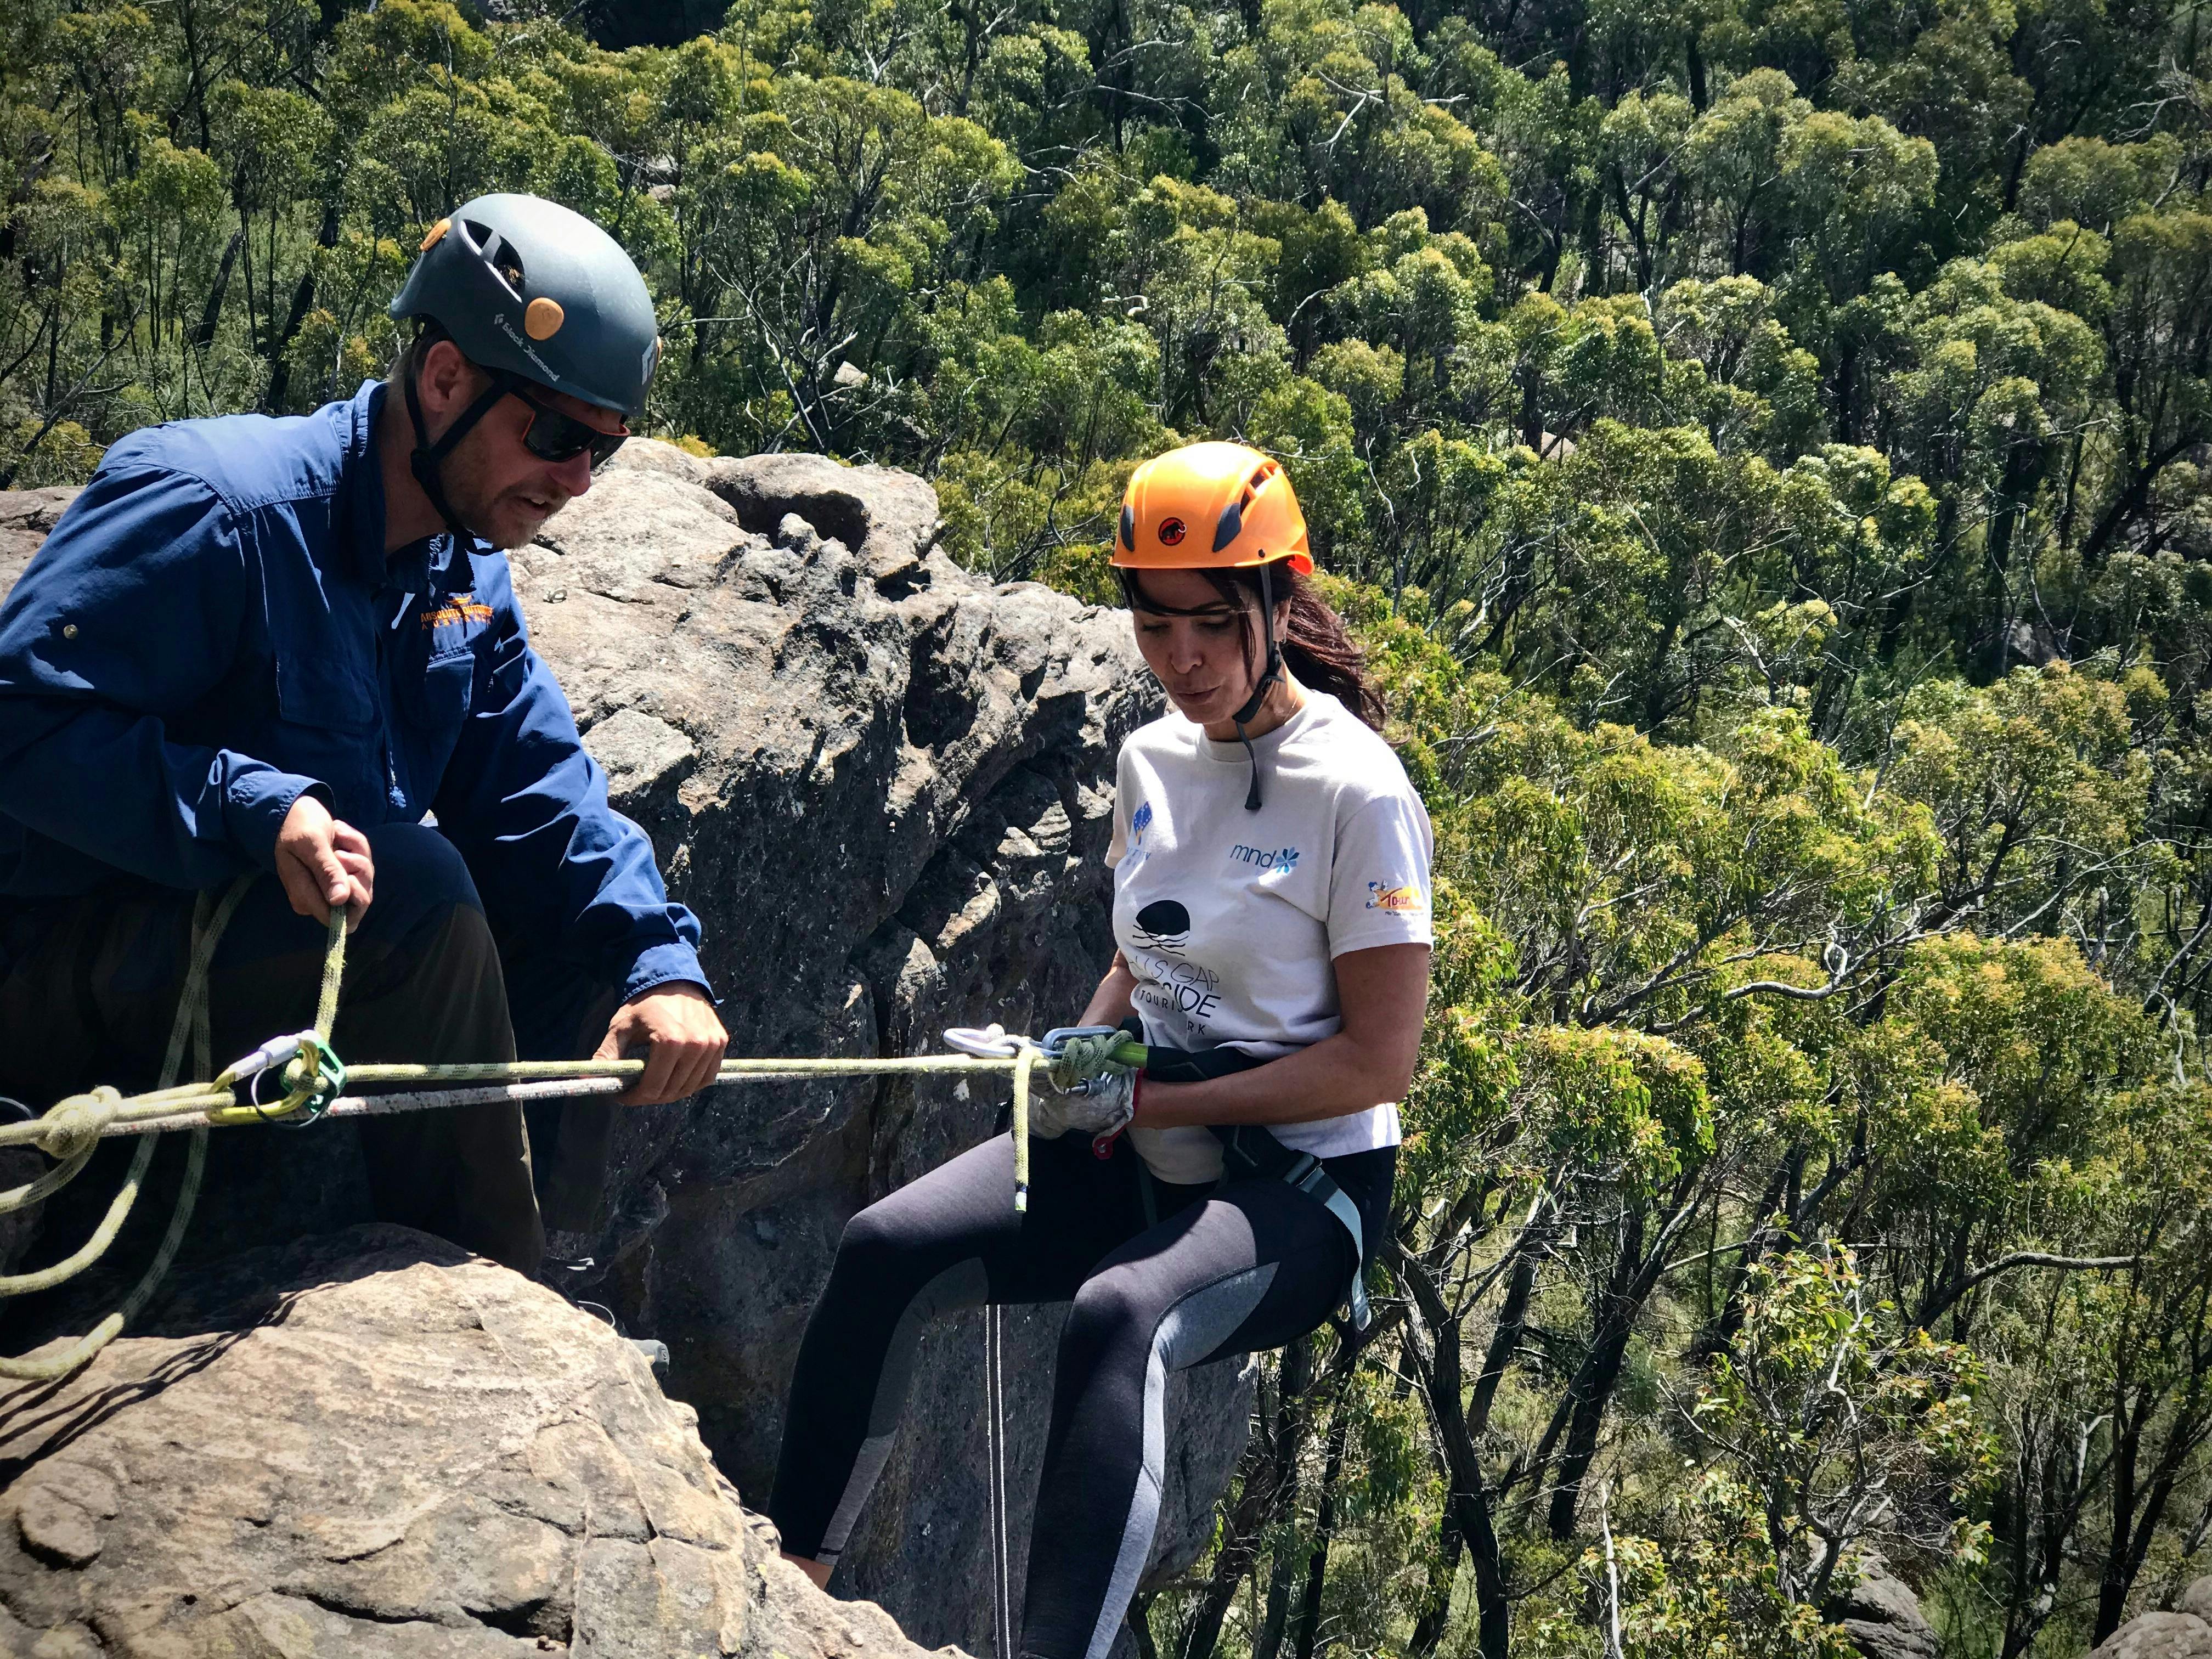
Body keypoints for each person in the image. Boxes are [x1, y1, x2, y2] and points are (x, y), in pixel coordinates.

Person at [766, 441, 1434, 1659]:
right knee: (887, 1249)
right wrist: (1085, 1048)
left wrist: (1171, 1102)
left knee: (1121, 1313)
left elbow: (1376, 1066)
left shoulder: (1357, 791)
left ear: (1280, 603)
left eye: (1214, 624)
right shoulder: (1152, 760)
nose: (1181, 657)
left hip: (1299, 1186)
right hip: (1143, 1121)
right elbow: (1147, 948)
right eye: (1154, 619)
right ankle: (790, 1587)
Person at [0, 193, 727, 1284]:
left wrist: (658, 962)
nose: (576, 483)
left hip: (209, 967)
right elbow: (19, 716)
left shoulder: (458, 570)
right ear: (444, 380)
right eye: (557, 436)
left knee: (591, 956)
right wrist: (254, 805)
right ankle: (498, 1301)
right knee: (423, 888)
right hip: (50, 976)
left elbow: (539, 795)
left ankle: (528, 1262)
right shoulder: (222, 508)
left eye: (604, 454)